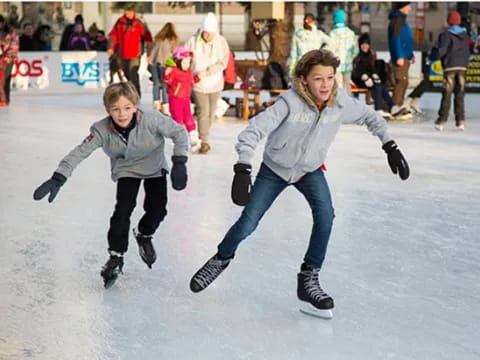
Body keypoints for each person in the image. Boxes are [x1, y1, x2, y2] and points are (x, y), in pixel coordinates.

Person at [189, 49, 410, 319]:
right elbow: (253, 130)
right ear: (304, 79)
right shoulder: (289, 103)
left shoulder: (339, 103)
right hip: (275, 169)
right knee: (248, 222)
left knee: (326, 217)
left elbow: (371, 117)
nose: (326, 84)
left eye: (330, 78)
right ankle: (222, 257)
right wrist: (243, 167)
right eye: (318, 78)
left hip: (310, 170)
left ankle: (309, 278)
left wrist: (390, 145)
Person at [33, 82, 189, 288]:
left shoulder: (151, 119)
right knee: (122, 211)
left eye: (127, 108)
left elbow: (179, 132)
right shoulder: (101, 130)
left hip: (154, 167)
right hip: (126, 169)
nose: (122, 114)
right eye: (115, 109)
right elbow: (80, 151)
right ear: (108, 111)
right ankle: (116, 256)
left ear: (135, 107)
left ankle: (143, 233)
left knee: (158, 210)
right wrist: (59, 176)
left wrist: (179, 161)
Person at [185, 12, 230, 154]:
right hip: (198, 83)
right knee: (203, 111)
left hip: (215, 83)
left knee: (211, 113)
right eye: (205, 33)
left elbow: (223, 62)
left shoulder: (221, 42)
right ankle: (203, 140)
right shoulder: (193, 41)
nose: (207, 36)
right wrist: (188, 70)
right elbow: (183, 56)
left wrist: (209, 71)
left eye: (210, 33)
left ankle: (204, 134)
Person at [352, 33, 403, 119]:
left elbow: (371, 69)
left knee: (381, 85)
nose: (365, 46)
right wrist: (365, 78)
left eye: (366, 44)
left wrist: (374, 75)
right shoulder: (358, 56)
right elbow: (356, 72)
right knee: (378, 86)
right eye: (363, 44)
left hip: (369, 79)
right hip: (359, 80)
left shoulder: (369, 55)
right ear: (360, 45)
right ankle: (379, 108)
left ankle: (392, 107)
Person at [434, 11, 470, 131]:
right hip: (462, 67)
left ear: (449, 21)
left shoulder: (445, 35)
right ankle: (460, 121)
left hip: (450, 66)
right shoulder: (465, 34)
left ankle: (442, 120)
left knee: (447, 93)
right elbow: (467, 49)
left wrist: (435, 57)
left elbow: (442, 50)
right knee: (460, 93)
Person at [108, 5, 152, 97]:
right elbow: (113, 35)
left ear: (133, 12)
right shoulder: (120, 22)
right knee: (126, 73)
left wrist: (149, 53)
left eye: (129, 11)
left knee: (133, 72)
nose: (127, 13)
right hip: (122, 53)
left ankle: (136, 93)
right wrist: (110, 47)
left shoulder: (139, 23)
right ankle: (131, 90)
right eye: (126, 11)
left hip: (135, 53)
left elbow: (148, 38)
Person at [163, 46, 201, 153]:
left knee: (189, 117)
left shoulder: (188, 71)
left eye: (188, 63)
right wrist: (167, 74)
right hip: (176, 99)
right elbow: (167, 81)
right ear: (178, 61)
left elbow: (190, 81)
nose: (186, 65)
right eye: (184, 63)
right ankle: (179, 140)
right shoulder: (174, 71)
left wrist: (197, 78)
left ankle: (193, 137)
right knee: (178, 119)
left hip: (186, 99)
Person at [287, 13, 331, 79]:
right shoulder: (318, 34)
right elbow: (332, 43)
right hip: (315, 63)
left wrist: (291, 71)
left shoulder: (297, 35)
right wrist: (321, 51)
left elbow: (293, 54)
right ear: (313, 22)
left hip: (301, 64)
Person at [388, 2, 414, 108]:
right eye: (408, 6)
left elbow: (405, 40)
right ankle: (395, 107)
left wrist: (410, 54)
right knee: (400, 82)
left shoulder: (402, 20)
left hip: (405, 56)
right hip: (400, 57)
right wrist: (398, 56)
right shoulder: (397, 20)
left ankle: (399, 105)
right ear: (402, 7)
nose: (410, 9)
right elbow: (395, 39)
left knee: (404, 82)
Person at [149, 22, 178, 113]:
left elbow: (152, 51)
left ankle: (156, 103)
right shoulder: (172, 39)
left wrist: (150, 62)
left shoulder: (158, 39)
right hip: (165, 64)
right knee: (165, 85)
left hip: (154, 63)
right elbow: (174, 53)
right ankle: (166, 105)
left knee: (156, 84)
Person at [329, 9, 358, 95]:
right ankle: (348, 105)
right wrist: (350, 58)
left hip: (336, 64)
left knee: (338, 86)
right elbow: (355, 50)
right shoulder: (351, 33)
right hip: (348, 63)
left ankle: (339, 105)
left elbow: (330, 50)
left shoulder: (333, 33)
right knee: (347, 86)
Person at [0, 15, 19, 107]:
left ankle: (5, 100)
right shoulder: (3, 32)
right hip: (3, 58)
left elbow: (13, 46)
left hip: (8, 59)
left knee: (5, 78)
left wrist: (5, 53)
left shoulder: (11, 32)